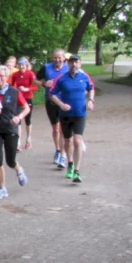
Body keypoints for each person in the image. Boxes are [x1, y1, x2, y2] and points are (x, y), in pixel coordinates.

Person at [50, 54, 95, 184]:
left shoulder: (84, 77)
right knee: (68, 141)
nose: (74, 65)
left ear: (80, 64)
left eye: (76, 62)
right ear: (67, 64)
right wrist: (61, 105)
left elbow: (91, 88)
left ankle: (77, 170)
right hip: (65, 115)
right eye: (71, 62)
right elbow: (51, 93)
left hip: (80, 113)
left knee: (77, 140)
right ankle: (69, 163)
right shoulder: (61, 78)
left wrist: (91, 100)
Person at [0, 66, 29, 200]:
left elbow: (26, 108)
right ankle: (2, 188)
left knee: (10, 160)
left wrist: (19, 117)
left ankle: (18, 169)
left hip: (11, 129)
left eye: (2, 76)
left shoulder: (14, 92)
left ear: (7, 77)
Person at [36, 49, 69, 168]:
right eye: (55, 57)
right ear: (52, 58)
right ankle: (58, 150)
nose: (57, 60)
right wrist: (44, 84)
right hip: (50, 101)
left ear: (64, 58)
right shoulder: (46, 68)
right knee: (55, 128)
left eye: (59, 57)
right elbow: (35, 79)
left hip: (64, 101)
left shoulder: (68, 67)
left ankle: (63, 155)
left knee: (62, 129)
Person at [10, 57, 37, 150]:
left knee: (28, 120)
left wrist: (27, 89)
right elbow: (11, 85)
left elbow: (36, 87)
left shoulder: (30, 74)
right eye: (20, 65)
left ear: (26, 65)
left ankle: (28, 138)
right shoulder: (15, 74)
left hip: (28, 98)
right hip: (18, 99)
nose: (21, 66)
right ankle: (18, 142)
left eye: (23, 65)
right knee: (18, 119)